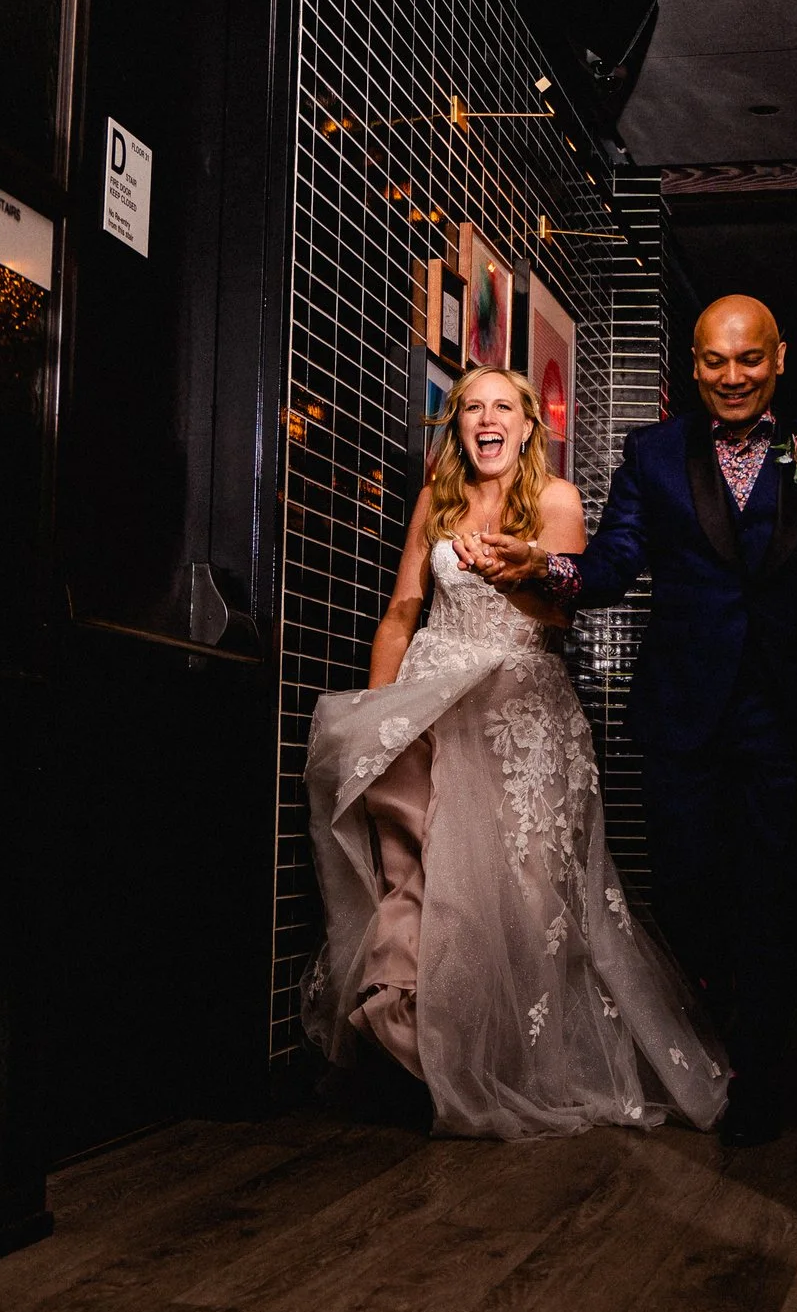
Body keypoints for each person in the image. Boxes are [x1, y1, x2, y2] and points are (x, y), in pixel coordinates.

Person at [468, 296, 797, 1147]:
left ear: (778, 359)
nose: (732, 376)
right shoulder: (654, 452)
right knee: (686, 889)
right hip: (683, 712)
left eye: (749, 360)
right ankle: (704, 1040)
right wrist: (545, 565)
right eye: (715, 360)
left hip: (788, 713)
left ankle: (756, 1072)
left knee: (772, 893)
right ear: (695, 363)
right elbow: (611, 564)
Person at [301, 365, 727, 1139]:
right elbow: (402, 611)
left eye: (503, 407)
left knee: (526, 893)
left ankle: (514, 1065)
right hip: (433, 709)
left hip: (517, 713)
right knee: (429, 877)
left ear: (530, 426)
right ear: (457, 424)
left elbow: (559, 619)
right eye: (471, 408)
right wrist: (379, 714)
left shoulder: (554, 500)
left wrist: (509, 571)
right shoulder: (437, 498)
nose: (486, 418)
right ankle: (430, 1057)